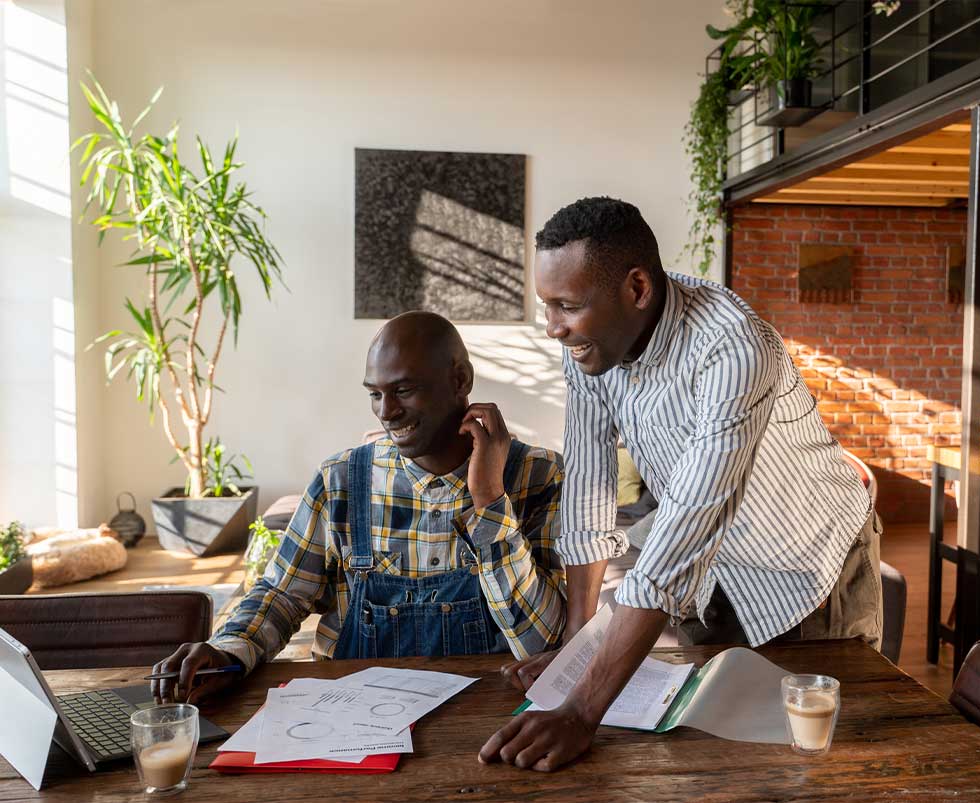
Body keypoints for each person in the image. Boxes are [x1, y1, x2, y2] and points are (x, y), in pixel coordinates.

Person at [479, 197, 879, 772]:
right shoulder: (590, 348)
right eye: (547, 306)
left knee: (814, 764)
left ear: (637, 288)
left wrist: (581, 710)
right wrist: (574, 655)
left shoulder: (732, 346)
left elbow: (686, 529)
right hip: (714, 576)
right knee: (711, 761)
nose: (553, 328)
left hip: (808, 573)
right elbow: (589, 492)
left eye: (567, 306)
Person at [152, 312, 566, 703]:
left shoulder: (538, 475)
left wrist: (489, 499)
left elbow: (540, 645)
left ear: (460, 380)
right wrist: (227, 650)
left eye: (403, 390)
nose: (387, 412)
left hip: (488, 720)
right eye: (375, 394)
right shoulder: (341, 480)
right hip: (353, 719)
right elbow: (282, 593)